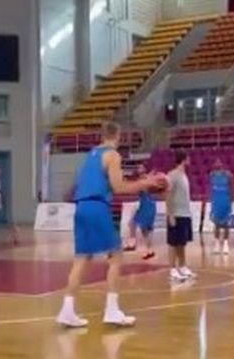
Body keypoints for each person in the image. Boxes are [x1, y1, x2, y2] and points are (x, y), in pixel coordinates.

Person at [56, 122, 163, 328]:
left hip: (81, 207)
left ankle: (67, 311)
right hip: (97, 207)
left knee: (81, 259)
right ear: (118, 136)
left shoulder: (91, 155)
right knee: (116, 255)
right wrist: (145, 183)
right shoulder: (113, 155)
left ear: (102, 135)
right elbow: (119, 187)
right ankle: (112, 311)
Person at [165, 151, 196, 283]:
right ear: (183, 159)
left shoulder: (184, 175)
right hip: (176, 213)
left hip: (185, 213)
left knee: (181, 242)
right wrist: (170, 214)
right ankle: (172, 269)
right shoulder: (172, 175)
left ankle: (182, 266)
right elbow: (168, 194)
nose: (190, 160)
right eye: (188, 158)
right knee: (173, 243)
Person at [123, 164, 156, 260]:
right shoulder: (144, 179)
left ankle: (135, 245)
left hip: (147, 205)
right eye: (138, 167)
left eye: (140, 167)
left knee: (139, 226)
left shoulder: (145, 179)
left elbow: (138, 188)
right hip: (145, 204)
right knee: (141, 227)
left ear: (144, 169)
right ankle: (148, 249)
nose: (138, 168)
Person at [209, 158, 234, 255]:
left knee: (226, 224)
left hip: (225, 201)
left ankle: (226, 244)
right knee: (216, 224)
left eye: (219, 162)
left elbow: (233, 188)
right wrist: (211, 201)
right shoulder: (212, 175)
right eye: (216, 162)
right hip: (216, 201)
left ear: (222, 165)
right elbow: (211, 189)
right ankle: (216, 243)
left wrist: (231, 201)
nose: (217, 163)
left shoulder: (228, 175)